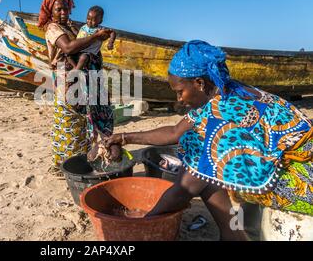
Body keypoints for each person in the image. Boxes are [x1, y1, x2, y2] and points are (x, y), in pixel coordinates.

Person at [106, 40, 313, 241]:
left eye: (180, 92)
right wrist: (125, 137)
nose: (179, 99)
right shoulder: (226, 90)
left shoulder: (221, 119)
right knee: (209, 173)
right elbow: (175, 132)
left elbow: (183, 190)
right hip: (289, 162)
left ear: (199, 83)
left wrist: (142, 220)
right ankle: (237, 231)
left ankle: (235, 234)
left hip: (300, 182)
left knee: (203, 174)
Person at [38, 0, 121, 175]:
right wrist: (96, 37)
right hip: (66, 77)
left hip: (84, 76)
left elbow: (84, 40)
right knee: (70, 119)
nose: (63, 13)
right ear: (51, 11)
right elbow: (68, 47)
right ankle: (67, 166)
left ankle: (85, 159)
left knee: (86, 116)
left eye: (65, 9)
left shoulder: (72, 26)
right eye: (58, 9)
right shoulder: (53, 28)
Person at [66, 6, 116, 71]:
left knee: (83, 58)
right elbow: (78, 35)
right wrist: (72, 26)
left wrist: (110, 42)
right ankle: (75, 67)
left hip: (89, 54)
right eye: (88, 19)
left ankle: (76, 72)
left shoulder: (100, 29)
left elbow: (112, 32)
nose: (89, 21)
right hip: (78, 51)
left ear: (100, 21)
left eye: (93, 20)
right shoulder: (84, 27)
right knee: (68, 54)